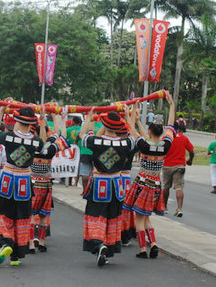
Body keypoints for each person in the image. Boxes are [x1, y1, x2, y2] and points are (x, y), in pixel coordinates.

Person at [0, 106, 46, 266]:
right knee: (21, 217)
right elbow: (43, 145)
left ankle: (6, 242)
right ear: (32, 123)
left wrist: (0, 112)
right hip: (24, 181)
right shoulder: (35, 141)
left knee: (1, 213)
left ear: (17, 120)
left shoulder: (7, 137)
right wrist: (42, 122)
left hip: (7, 178)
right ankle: (16, 256)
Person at [79, 109, 135, 267]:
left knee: (95, 215)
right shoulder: (124, 143)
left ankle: (98, 244)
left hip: (99, 183)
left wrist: (89, 118)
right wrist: (128, 117)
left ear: (104, 125)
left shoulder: (96, 141)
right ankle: (108, 248)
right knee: (112, 217)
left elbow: (81, 135)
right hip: (116, 184)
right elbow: (137, 138)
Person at [123, 92, 175, 259]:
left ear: (150, 130)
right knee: (145, 217)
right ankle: (152, 243)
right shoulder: (165, 144)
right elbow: (171, 126)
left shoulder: (144, 146)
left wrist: (130, 113)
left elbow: (131, 130)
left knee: (139, 218)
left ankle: (143, 249)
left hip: (142, 183)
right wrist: (172, 105)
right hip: (155, 184)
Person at [30, 112, 68, 253]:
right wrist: (59, 118)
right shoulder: (51, 148)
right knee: (44, 214)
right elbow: (60, 135)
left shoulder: (31, 146)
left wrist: (40, 121)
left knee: (31, 214)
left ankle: (31, 242)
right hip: (46, 184)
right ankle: (42, 241)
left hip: (33, 183)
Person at [162, 121, 195, 217]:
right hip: (179, 166)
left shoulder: (166, 138)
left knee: (166, 187)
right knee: (179, 187)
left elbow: (162, 150)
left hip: (167, 165)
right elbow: (192, 151)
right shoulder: (184, 138)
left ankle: (164, 207)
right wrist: (190, 160)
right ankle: (179, 209)